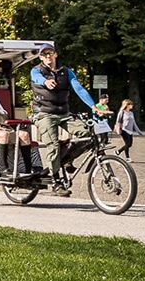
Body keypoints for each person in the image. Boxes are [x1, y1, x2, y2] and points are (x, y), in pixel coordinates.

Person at [30, 47, 108, 197]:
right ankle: (55, 182)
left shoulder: (66, 71)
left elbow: (79, 88)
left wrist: (94, 106)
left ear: (55, 54)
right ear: (40, 57)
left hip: (64, 113)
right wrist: (46, 82)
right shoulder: (36, 71)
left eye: (50, 53)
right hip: (44, 113)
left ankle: (66, 159)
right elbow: (37, 79)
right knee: (52, 146)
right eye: (44, 54)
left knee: (85, 134)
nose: (48, 56)